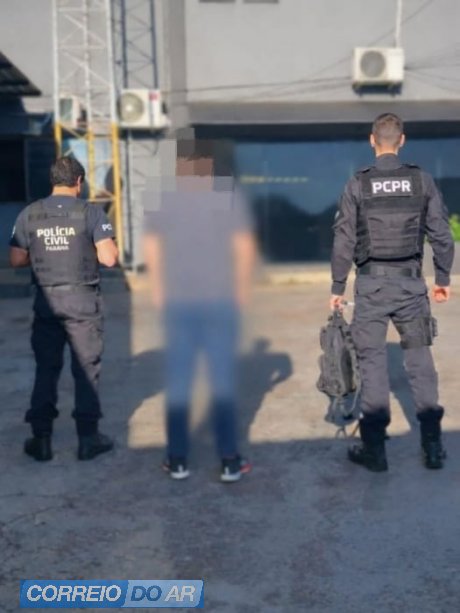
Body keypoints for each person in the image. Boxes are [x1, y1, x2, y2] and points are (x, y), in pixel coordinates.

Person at [330, 113, 454, 472]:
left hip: (371, 287)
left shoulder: (358, 183)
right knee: (420, 363)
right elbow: (442, 235)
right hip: (411, 286)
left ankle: (375, 451)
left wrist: (337, 286)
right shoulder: (421, 180)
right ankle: (433, 447)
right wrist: (442, 278)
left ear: (373, 140)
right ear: (402, 140)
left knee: (372, 364)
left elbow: (343, 240)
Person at [143, 138, 256, 482]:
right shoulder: (226, 196)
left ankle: (177, 459)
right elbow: (244, 245)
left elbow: (151, 244)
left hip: (178, 302)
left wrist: (158, 289)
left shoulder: (164, 197)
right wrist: (240, 290)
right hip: (219, 301)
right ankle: (229, 460)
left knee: (178, 381)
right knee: (222, 381)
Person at [9, 156, 118, 462]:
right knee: (85, 370)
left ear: (53, 181)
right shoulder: (91, 212)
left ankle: (41, 439)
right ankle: (88, 439)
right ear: (78, 182)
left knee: (46, 369)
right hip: (82, 301)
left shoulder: (29, 213)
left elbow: (16, 259)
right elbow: (109, 259)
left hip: (47, 302)